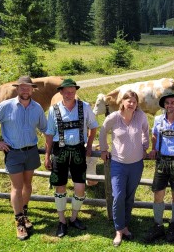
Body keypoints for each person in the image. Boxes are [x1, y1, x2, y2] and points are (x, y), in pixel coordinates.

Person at [0, 76, 47, 240]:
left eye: (28, 87)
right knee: (16, 187)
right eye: (22, 87)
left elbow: (45, 127)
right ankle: (19, 222)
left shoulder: (37, 108)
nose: (25, 90)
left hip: (31, 150)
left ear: (32, 89)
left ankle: (24, 214)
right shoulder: (6, 106)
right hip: (14, 152)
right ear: (17, 89)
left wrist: (50, 144)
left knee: (28, 185)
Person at [44, 78, 98, 237]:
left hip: (79, 151)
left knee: (80, 188)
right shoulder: (54, 109)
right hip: (59, 151)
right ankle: (62, 221)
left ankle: (74, 218)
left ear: (76, 92)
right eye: (66, 92)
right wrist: (47, 155)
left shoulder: (85, 107)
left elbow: (93, 127)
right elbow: (49, 134)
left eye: (72, 91)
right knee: (59, 186)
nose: (69, 94)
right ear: (60, 92)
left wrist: (89, 145)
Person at [99, 90, 149, 247]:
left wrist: (145, 147)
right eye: (129, 101)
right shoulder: (114, 117)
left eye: (134, 101)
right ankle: (119, 230)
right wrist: (103, 149)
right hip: (118, 164)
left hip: (136, 164)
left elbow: (146, 131)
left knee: (129, 196)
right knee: (118, 196)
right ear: (122, 102)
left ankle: (125, 226)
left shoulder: (140, 116)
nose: (132, 104)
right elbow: (102, 131)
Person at [143, 92, 174, 243]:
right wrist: (154, 148)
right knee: (158, 193)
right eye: (167, 103)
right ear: (164, 105)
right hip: (161, 161)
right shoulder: (158, 119)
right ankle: (158, 225)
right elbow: (154, 135)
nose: (169, 105)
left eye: (172, 102)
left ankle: (173, 224)